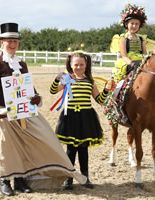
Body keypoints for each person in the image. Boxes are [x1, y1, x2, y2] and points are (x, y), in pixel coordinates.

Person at [0, 22, 86, 196]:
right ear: (1, 42)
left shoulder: (22, 65)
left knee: (32, 141)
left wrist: (36, 97)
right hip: (3, 113)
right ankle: (5, 180)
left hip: (23, 111)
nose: (13, 44)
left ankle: (21, 179)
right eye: (9, 41)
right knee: (5, 146)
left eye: (15, 41)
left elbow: (27, 88)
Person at [49, 51, 107, 190]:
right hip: (70, 118)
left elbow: (99, 100)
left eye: (81, 64)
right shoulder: (67, 79)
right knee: (70, 150)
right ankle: (68, 179)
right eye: (76, 65)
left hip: (86, 118)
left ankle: (85, 178)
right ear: (70, 64)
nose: (79, 67)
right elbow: (52, 91)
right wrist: (57, 79)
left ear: (86, 65)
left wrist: (106, 91)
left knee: (83, 149)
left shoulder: (90, 81)